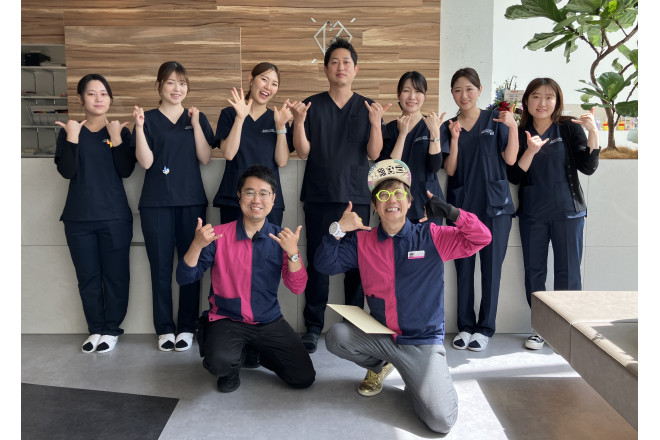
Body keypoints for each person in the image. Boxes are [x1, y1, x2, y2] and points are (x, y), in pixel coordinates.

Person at [315, 159, 491, 433]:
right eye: (383, 195)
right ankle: (381, 364)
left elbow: (481, 238)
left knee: (441, 422)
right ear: (375, 206)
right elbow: (325, 265)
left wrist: (453, 213)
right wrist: (338, 229)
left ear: (409, 203)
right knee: (337, 336)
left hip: (422, 342)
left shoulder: (431, 236)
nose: (391, 200)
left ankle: (417, 377)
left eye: (399, 193)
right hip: (383, 336)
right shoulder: (363, 241)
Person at [287, 37, 392, 353]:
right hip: (319, 196)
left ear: (356, 69)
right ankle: (313, 326)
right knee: (318, 263)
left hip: (356, 197)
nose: (340, 67)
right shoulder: (311, 106)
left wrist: (376, 123)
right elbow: (302, 152)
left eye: (346, 62)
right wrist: (299, 122)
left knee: (357, 265)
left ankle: (354, 326)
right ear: (325, 69)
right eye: (334, 62)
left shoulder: (368, 107)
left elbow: (375, 153)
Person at [176, 165, 316, 393]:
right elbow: (184, 277)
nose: (256, 200)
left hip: (268, 320)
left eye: (263, 193)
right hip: (227, 319)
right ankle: (233, 363)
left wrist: (293, 253)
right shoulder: (218, 236)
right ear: (239, 196)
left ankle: (254, 350)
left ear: (273, 199)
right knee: (219, 363)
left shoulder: (281, 239)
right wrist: (197, 245)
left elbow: (297, 287)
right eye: (250, 192)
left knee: (303, 377)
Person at [507, 78, 600, 350]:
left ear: (557, 101)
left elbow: (588, 167)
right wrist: (530, 151)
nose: (542, 103)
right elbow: (514, 175)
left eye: (549, 97)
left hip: (568, 212)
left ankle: (567, 330)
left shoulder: (569, 128)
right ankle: (541, 328)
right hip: (533, 213)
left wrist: (593, 132)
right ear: (526, 101)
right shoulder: (519, 132)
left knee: (568, 273)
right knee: (534, 273)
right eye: (536, 96)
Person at [132, 61, 214, 352]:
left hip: (191, 202)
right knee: (160, 267)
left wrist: (196, 124)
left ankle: (187, 326)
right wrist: (138, 127)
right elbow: (146, 163)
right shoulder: (147, 119)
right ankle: (165, 328)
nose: (177, 88)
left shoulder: (196, 117)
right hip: (156, 204)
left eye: (182, 83)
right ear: (159, 86)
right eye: (170, 82)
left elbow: (205, 157)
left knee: (191, 264)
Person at [54, 73, 136, 353]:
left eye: (103, 93)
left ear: (110, 99)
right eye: (91, 93)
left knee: (116, 276)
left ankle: (111, 329)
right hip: (78, 219)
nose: (98, 98)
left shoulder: (120, 131)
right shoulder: (69, 131)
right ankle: (95, 329)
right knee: (88, 278)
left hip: (115, 217)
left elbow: (126, 170)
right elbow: (67, 172)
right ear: (81, 98)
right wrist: (72, 138)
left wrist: (116, 139)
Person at [440, 67, 519, 352]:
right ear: (452, 93)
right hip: (462, 208)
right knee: (463, 269)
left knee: (491, 270)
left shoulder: (495, 120)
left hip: (495, 207)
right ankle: (465, 326)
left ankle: (485, 328)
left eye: (469, 89)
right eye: (458, 90)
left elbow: (510, 160)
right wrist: (455, 139)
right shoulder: (449, 126)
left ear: (480, 90)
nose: (464, 95)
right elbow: (450, 169)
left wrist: (513, 127)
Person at [212, 62, 293, 227]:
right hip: (234, 197)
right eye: (264, 79)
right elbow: (229, 153)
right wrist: (240, 118)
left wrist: (280, 127)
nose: (268, 87)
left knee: (268, 244)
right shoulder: (229, 114)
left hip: (268, 199)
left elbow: (282, 161)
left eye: (274, 84)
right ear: (251, 79)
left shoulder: (278, 118)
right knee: (232, 243)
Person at [379, 71, 446, 222]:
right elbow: (390, 170)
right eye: (406, 91)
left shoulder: (433, 125)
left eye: (418, 91)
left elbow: (434, 166)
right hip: (395, 205)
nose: (412, 97)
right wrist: (402, 134)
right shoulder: (389, 129)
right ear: (398, 94)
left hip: (427, 205)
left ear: (425, 95)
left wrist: (434, 133)